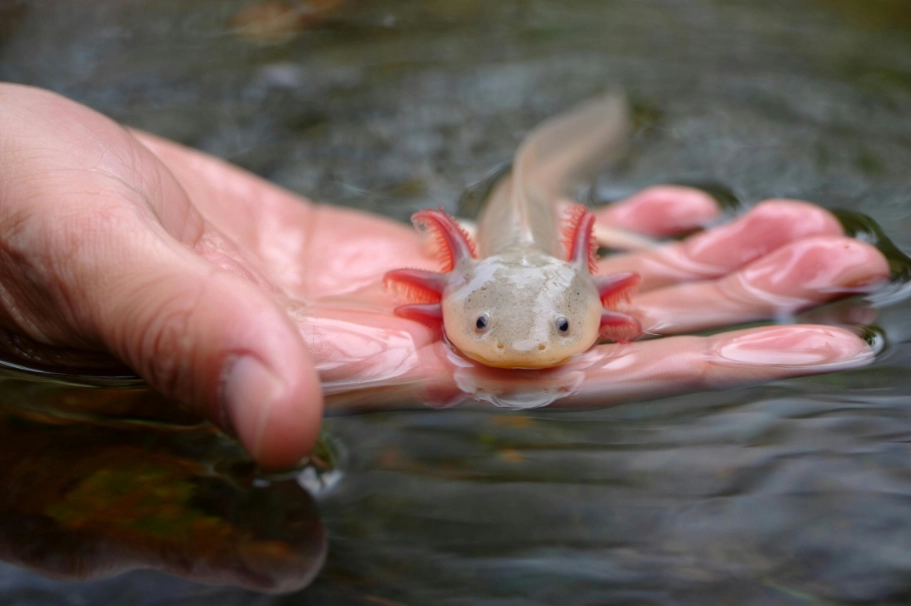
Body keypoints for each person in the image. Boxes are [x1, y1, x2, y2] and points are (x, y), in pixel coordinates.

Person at [0, 83, 890, 469]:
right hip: (493, 250)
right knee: (524, 196)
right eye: (485, 331)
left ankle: (577, 162)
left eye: (559, 332)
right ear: (437, 290)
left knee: (543, 193)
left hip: (551, 251)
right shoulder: (450, 286)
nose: (524, 352)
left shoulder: (582, 286)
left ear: (604, 302)